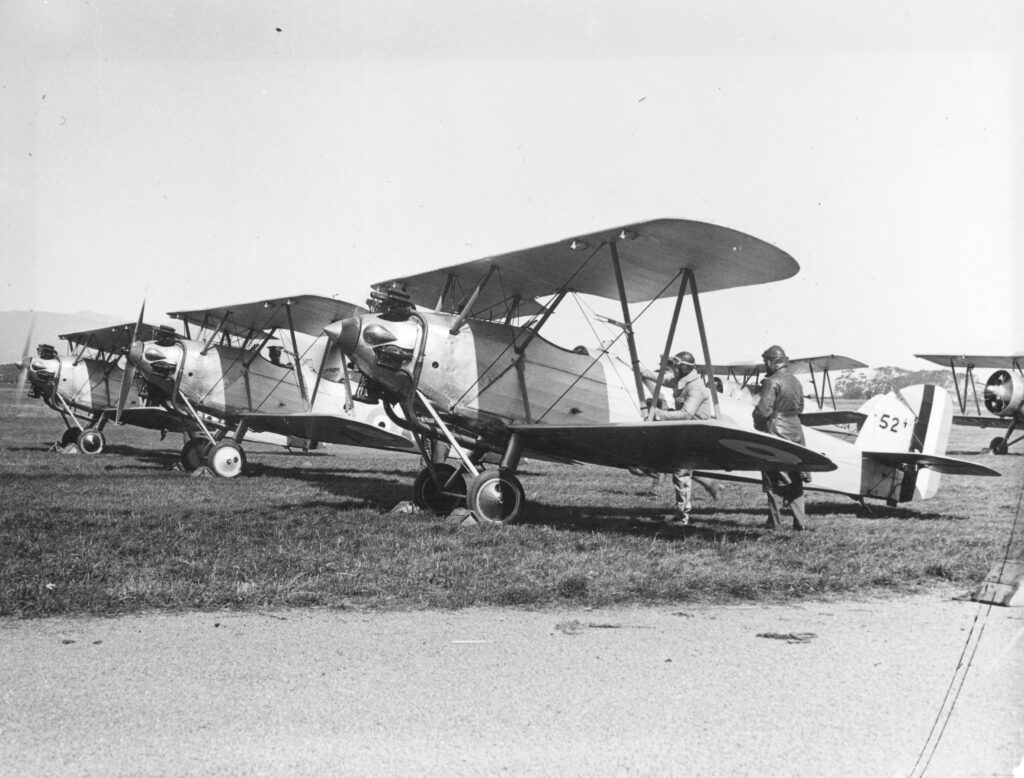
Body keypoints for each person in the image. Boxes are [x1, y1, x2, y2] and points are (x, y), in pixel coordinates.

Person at [641, 350, 721, 524]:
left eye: (675, 367)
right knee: (677, 470)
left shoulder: (695, 387)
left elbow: (686, 413)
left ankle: (682, 517)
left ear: (683, 367)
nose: (672, 370)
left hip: (695, 432)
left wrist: (659, 415)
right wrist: (642, 371)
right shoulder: (683, 379)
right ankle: (683, 511)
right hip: (686, 430)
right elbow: (665, 379)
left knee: (681, 473)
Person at [752, 344, 807, 530]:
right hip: (796, 431)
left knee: (773, 480)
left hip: (776, 431)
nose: (764, 365)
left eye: (765, 361)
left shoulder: (771, 381)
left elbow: (763, 411)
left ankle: (775, 525)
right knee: (796, 480)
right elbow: (800, 408)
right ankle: (800, 524)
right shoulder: (796, 381)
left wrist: (759, 426)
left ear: (771, 362)